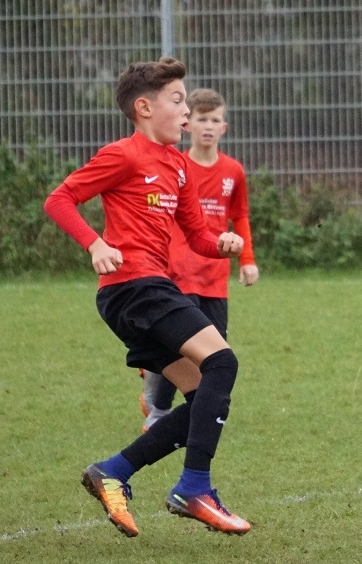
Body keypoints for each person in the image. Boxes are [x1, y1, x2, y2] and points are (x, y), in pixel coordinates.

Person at [43, 58, 251, 537]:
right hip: (134, 287)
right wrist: (95, 244)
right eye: (177, 101)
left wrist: (222, 243)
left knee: (202, 396)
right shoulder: (124, 155)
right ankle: (194, 488)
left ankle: (112, 470)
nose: (186, 111)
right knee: (222, 362)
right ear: (143, 108)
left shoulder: (177, 166)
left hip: (144, 290)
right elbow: (59, 199)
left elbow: (197, 237)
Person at [139, 87, 259, 432]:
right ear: (188, 124)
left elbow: (240, 216)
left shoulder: (233, 171)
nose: (208, 126)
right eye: (202, 119)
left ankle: (160, 387)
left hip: (214, 274)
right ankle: (159, 411)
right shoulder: (176, 166)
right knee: (182, 345)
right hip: (178, 270)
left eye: (215, 120)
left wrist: (247, 259)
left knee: (214, 349)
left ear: (224, 127)